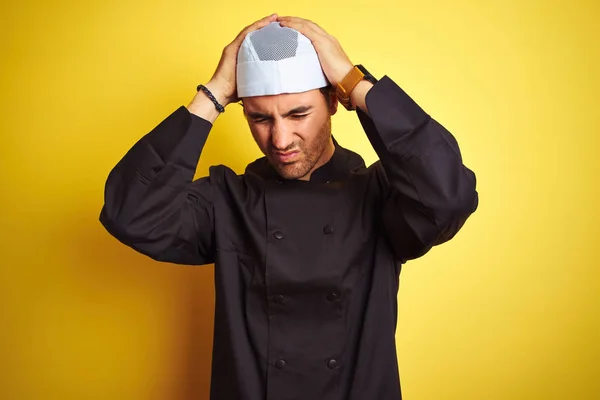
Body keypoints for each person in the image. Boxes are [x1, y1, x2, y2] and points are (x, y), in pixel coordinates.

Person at [99, 14, 478, 400]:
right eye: (259, 118)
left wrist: (354, 82)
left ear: (333, 102)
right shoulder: (226, 200)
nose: (280, 139)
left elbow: (449, 196)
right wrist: (213, 94)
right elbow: (130, 213)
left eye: (298, 114)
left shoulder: (380, 195)